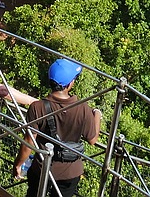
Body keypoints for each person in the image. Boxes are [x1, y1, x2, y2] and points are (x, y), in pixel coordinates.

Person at [14, 58, 103, 196]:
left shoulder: (37, 107)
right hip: (70, 171)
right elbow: (92, 139)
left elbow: (28, 143)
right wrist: (96, 115)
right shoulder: (83, 109)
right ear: (69, 84)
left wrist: (18, 164)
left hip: (42, 167)